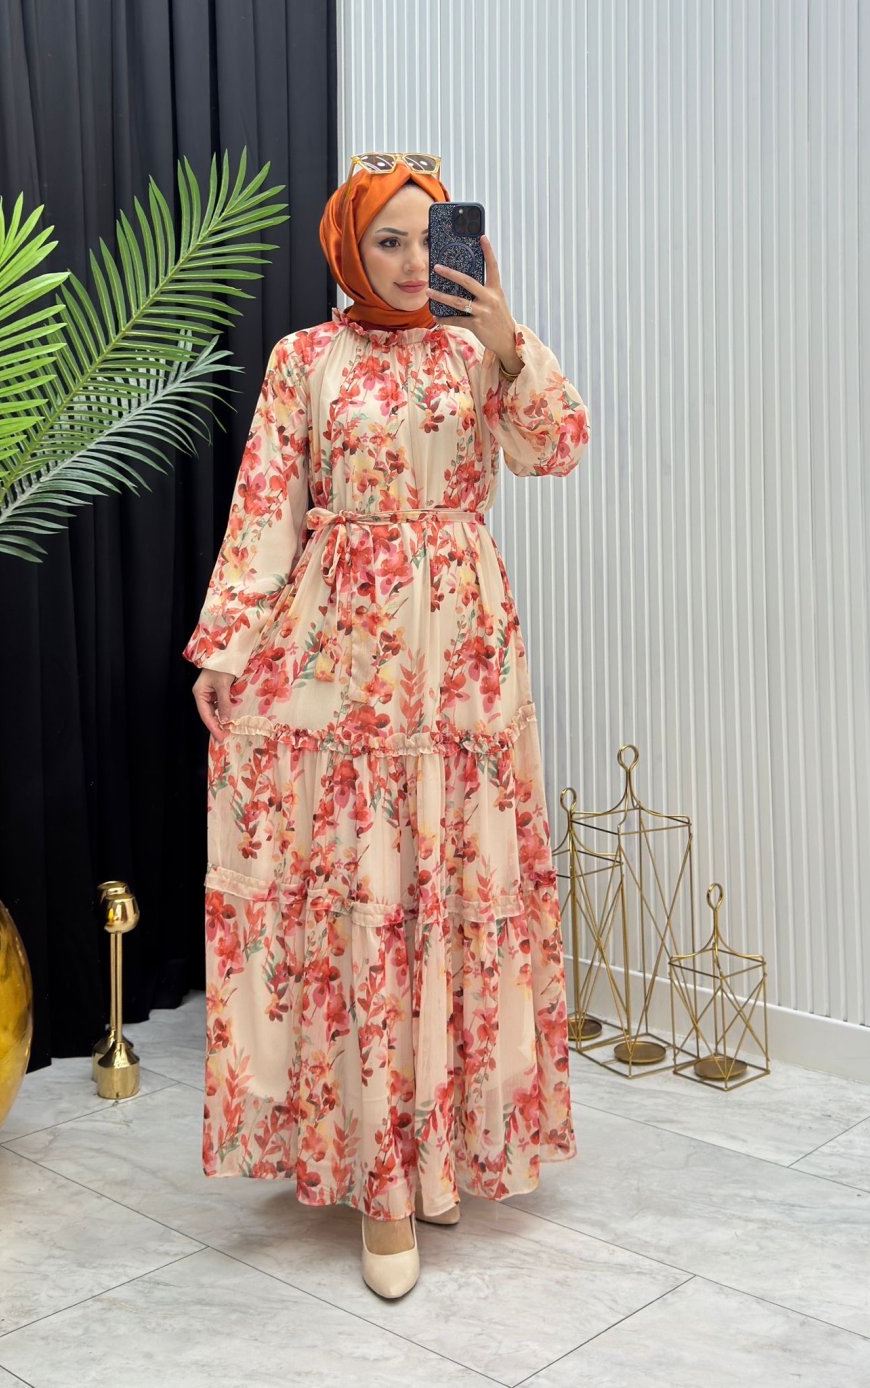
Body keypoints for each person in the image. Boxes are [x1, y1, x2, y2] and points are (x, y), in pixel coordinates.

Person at [185, 151, 590, 1300]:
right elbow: (267, 504)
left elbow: (557, 447)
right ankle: (381, 1183)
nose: (414, 262)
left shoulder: (474, 350)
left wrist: (507, 339)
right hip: (344, 658)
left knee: (456, 890)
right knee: (368, 895)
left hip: (463, 659)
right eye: (389, 242)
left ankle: (440, 1147)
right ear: (348, 249)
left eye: (429, 237)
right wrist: (227, 644)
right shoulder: (302, 360)